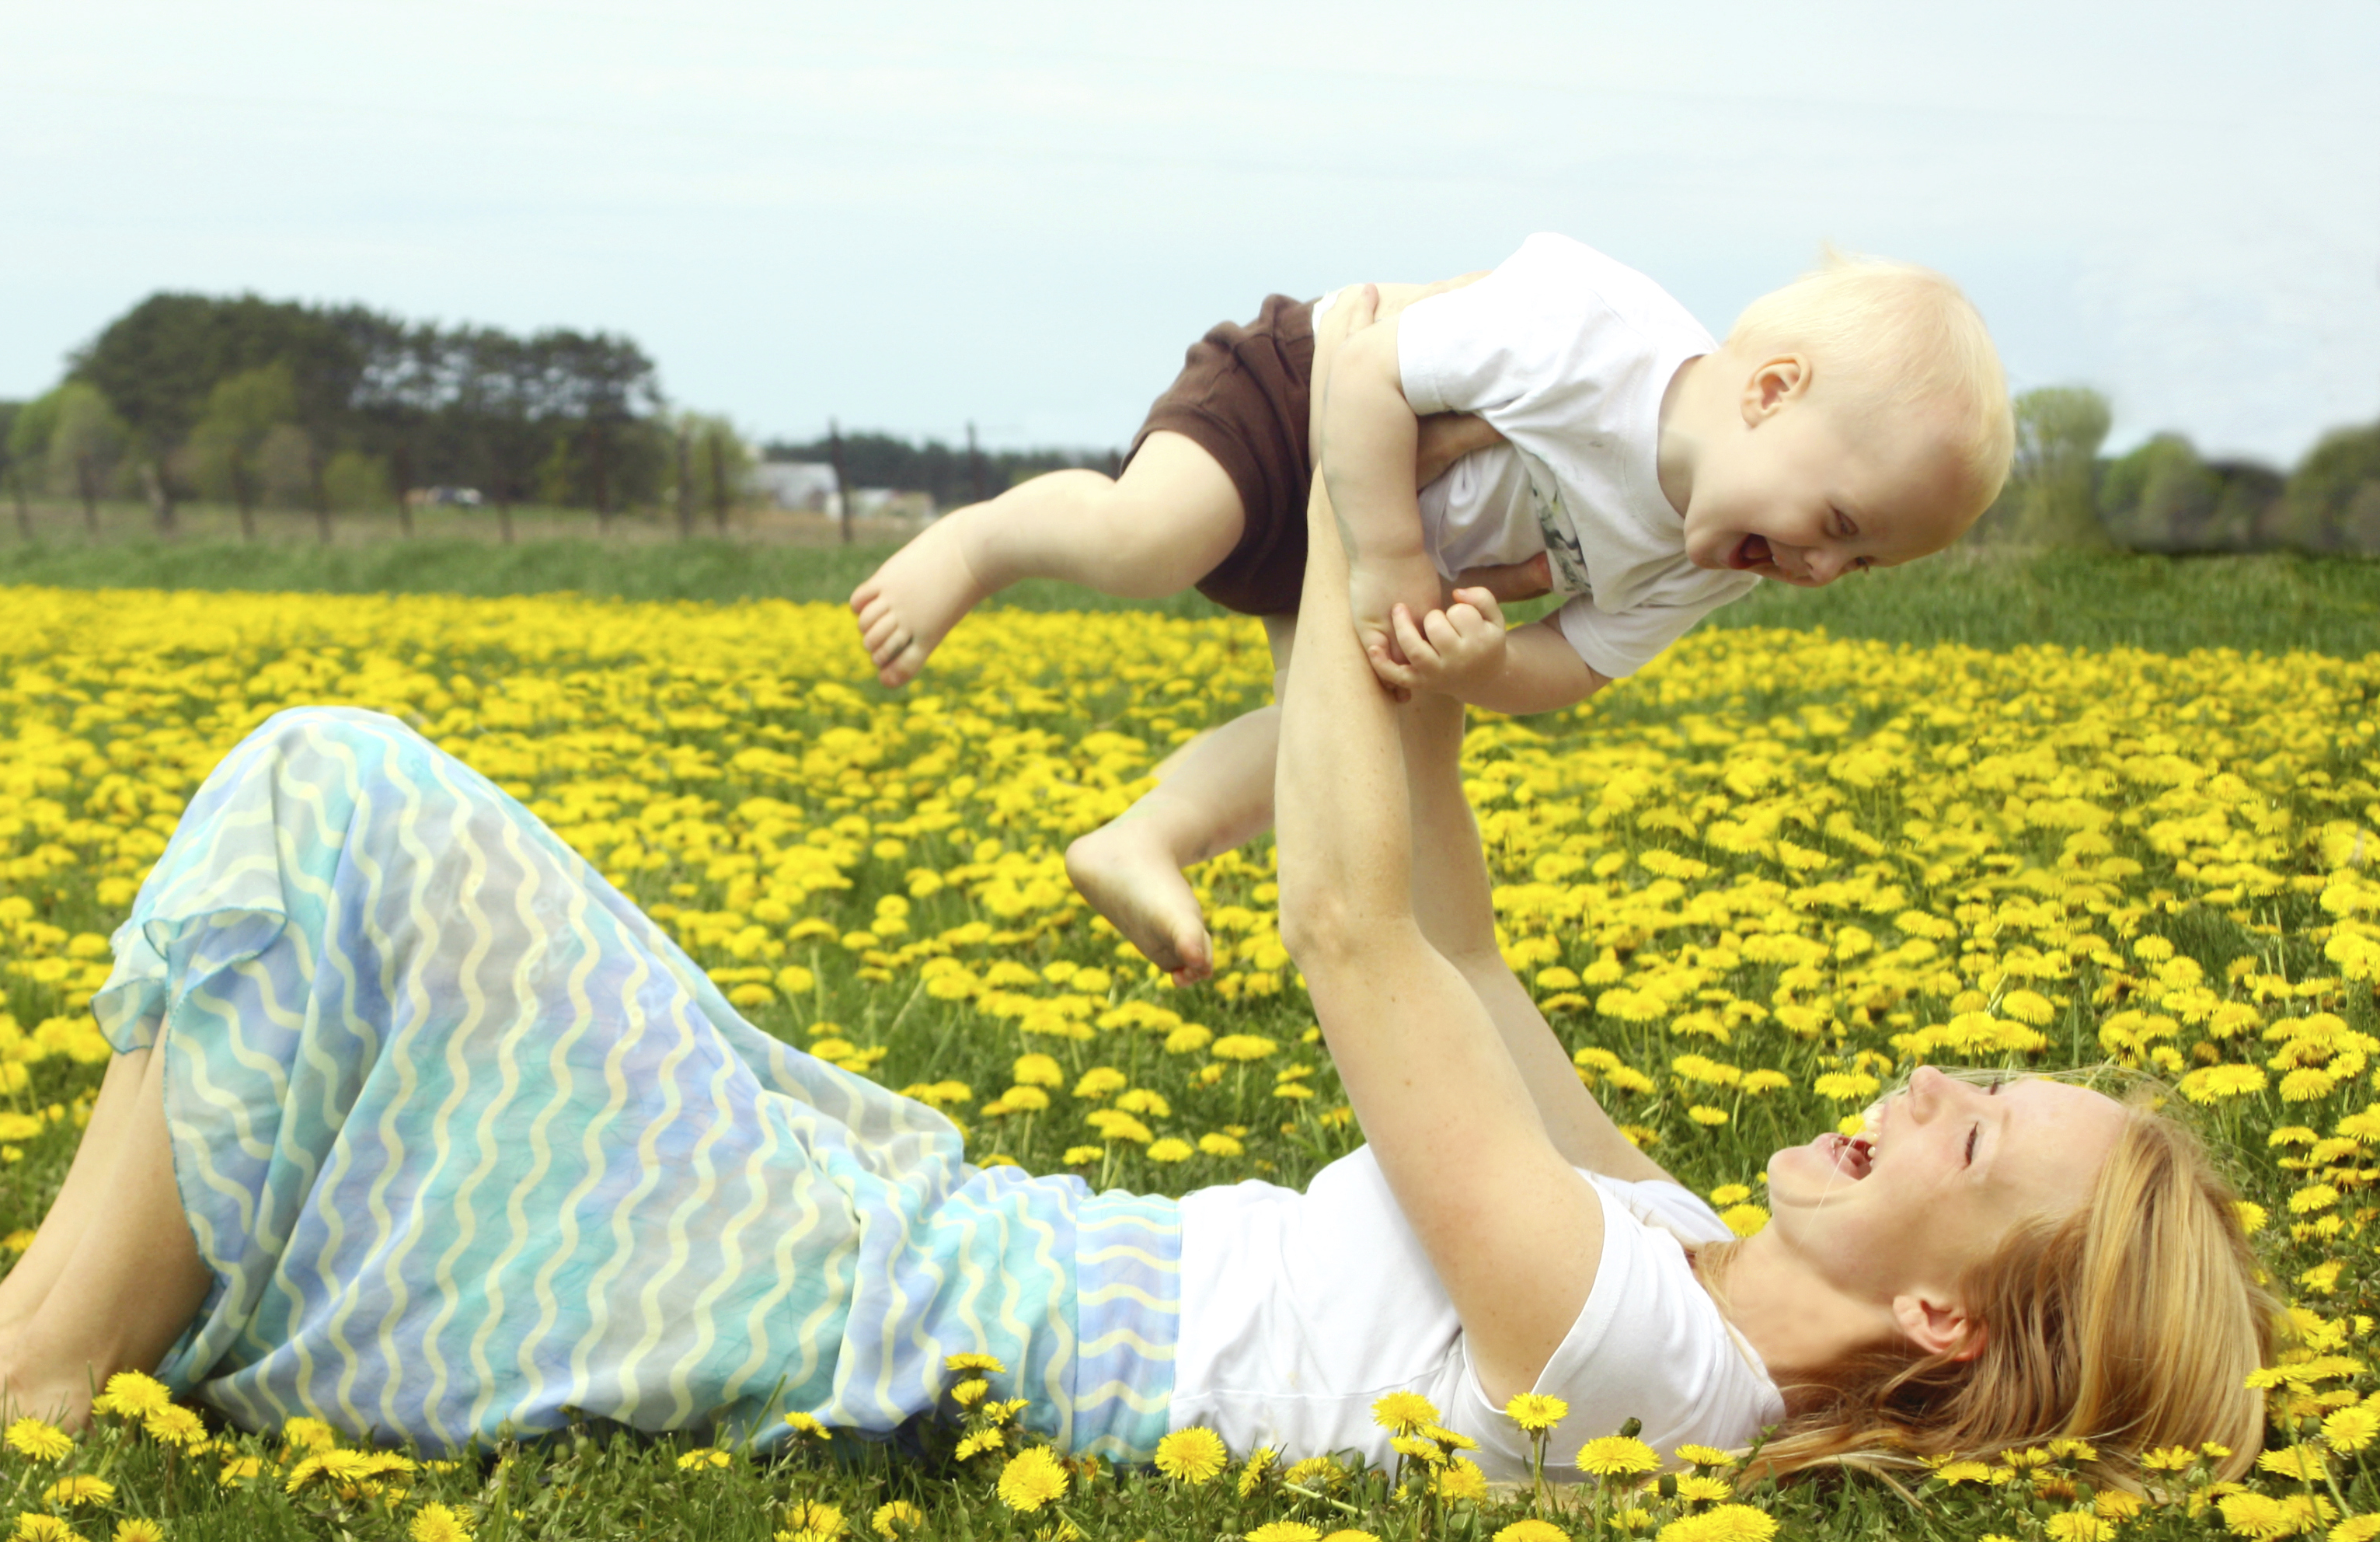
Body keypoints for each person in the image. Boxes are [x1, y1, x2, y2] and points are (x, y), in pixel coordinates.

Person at [0, 346, 2264, 1489]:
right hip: (938, 1244)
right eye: (1979, 1068)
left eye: (1982, 1125)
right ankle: (32, 1350)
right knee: (364, 882)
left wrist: (1359, 492)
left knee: (335, 795)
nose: (1933, 1077)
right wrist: (1441, 622)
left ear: (1951, 1311)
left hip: (912, 1312)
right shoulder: (1673, 1257)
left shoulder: (1640, 1373)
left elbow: (1358, 954)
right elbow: (1460, 947)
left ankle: (25, 1372)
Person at [851, 239, 2015, 987]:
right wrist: (1393, 555)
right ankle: (982, 537)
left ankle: (1148, 835)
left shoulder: (1703, 564)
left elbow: (1574, 664)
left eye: (1858, 565)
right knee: (1147, 538)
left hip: (1379, 562)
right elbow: (1368, 373)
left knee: (1361, 733)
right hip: (1295, 405)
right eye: (1839, 518)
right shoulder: (1594, 336)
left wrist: (1475, 666)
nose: (1817, 568)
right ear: (1770, 393)